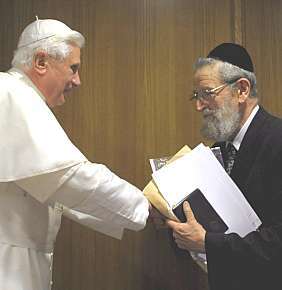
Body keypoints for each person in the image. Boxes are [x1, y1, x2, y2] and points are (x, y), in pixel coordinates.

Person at [0, 18, 150, 290]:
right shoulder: (11, 93)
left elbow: (57, 192)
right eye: (73, 68)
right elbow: (71, 177)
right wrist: (145, 205)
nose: (77, 81)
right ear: (41, 62)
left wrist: (132, 213)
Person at [166, 43, 282, 290]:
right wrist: (173, 220)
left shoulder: (278, 140)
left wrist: (207, 243)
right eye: (196, 96)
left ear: (241, 90)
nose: (199, 105)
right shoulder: (220, 148)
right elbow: (208, 226)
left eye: (208, 93)